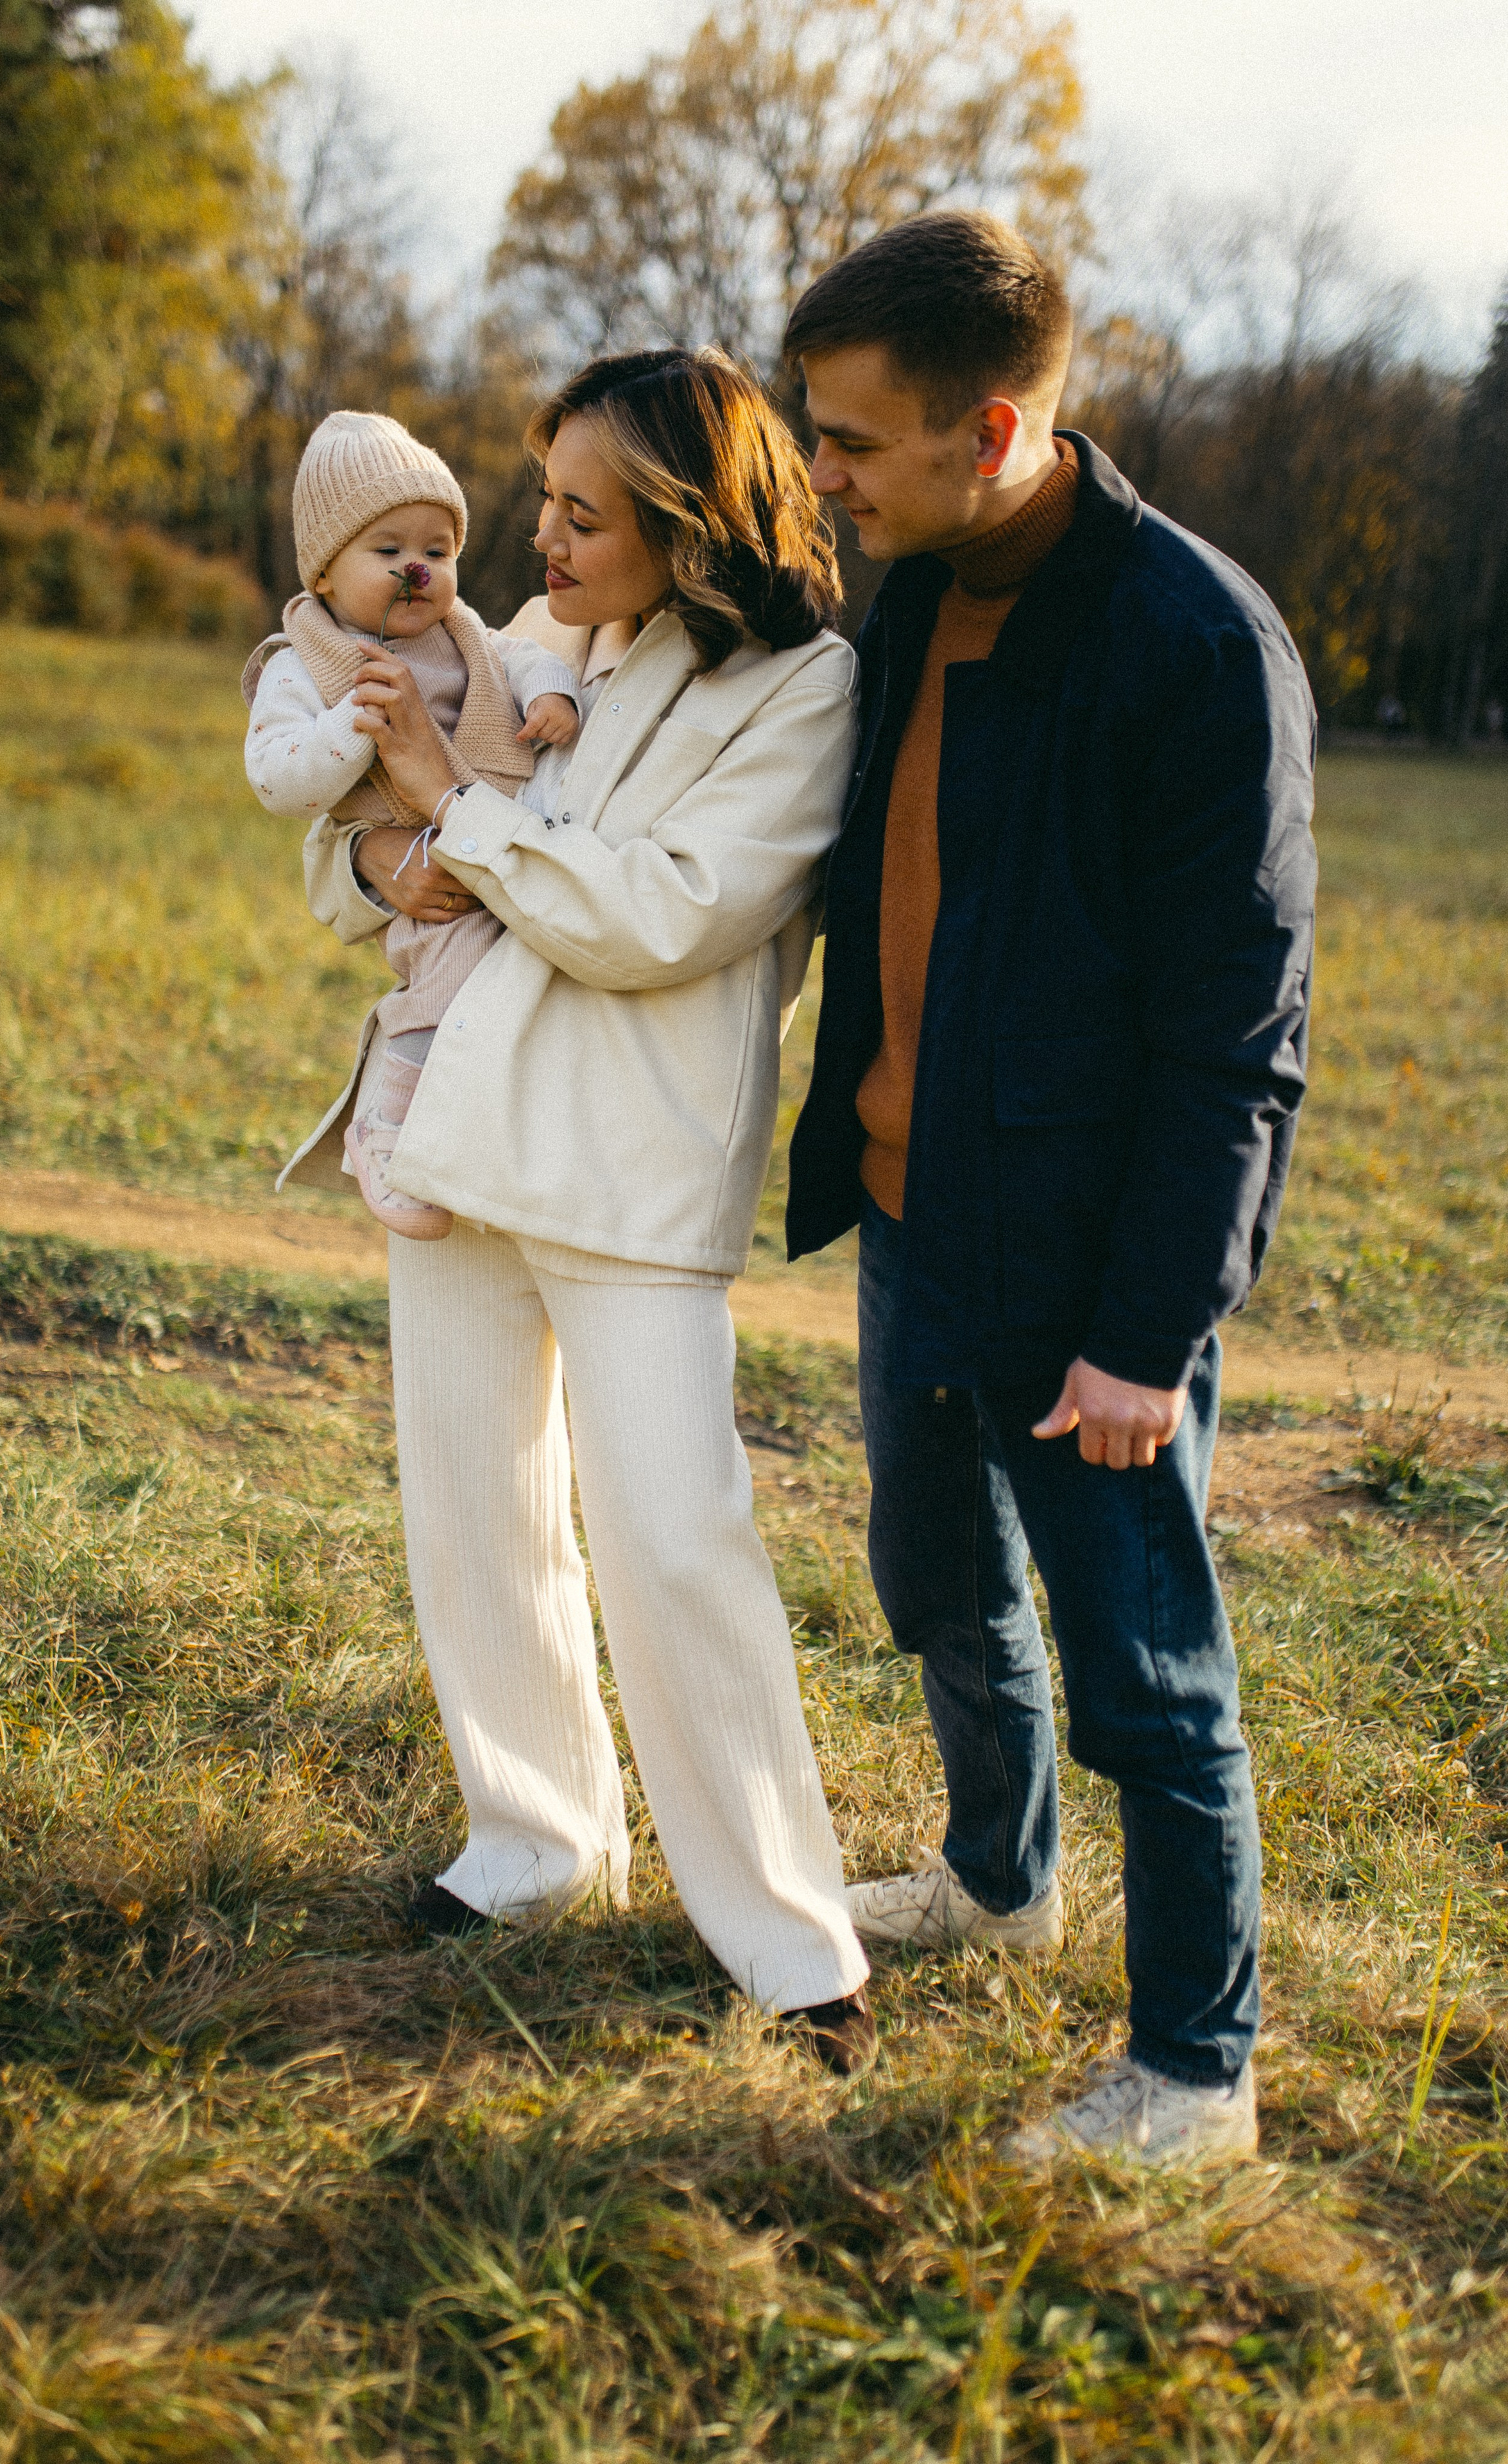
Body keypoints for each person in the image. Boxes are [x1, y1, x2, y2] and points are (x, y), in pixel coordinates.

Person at [783, 212, 1317, 2159]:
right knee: (939, 1581)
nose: (822, 475)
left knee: (1145, 1674)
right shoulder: (916, 593)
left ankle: (1194, 2070)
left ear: (989, 428)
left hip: (1089, 1272)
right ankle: (998, 1883)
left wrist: (1144, 1335)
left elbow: (1236, 1042)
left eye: (851, 440)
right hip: (914, 1210)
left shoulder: (1195, 645)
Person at [280, 350, 876, 2072]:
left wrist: (449, 810)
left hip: (632, 1158)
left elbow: (662, 913)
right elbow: (348, 843)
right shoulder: (530, 641)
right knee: (477, 1510)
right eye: (541, 500)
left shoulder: (800, 686)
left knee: (676, 1538)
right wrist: (385, 850)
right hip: (461, 1128)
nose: (537, 538)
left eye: (582, 514)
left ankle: (789, 1945)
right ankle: (534, 1844)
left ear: (689, 529)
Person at [243, 411, 581, 1236]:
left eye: (438, 550)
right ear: (325, 573)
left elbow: (523, 656)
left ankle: (445, 1135)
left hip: (484, 840)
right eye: (388, 550)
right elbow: (277, 779)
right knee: (449, 984)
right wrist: (353, 727)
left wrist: (550, 692)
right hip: (428, 867)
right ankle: (386, 1122)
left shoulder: (468, 637)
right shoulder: (305, 665)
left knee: (489, 994)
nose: (417, 570)